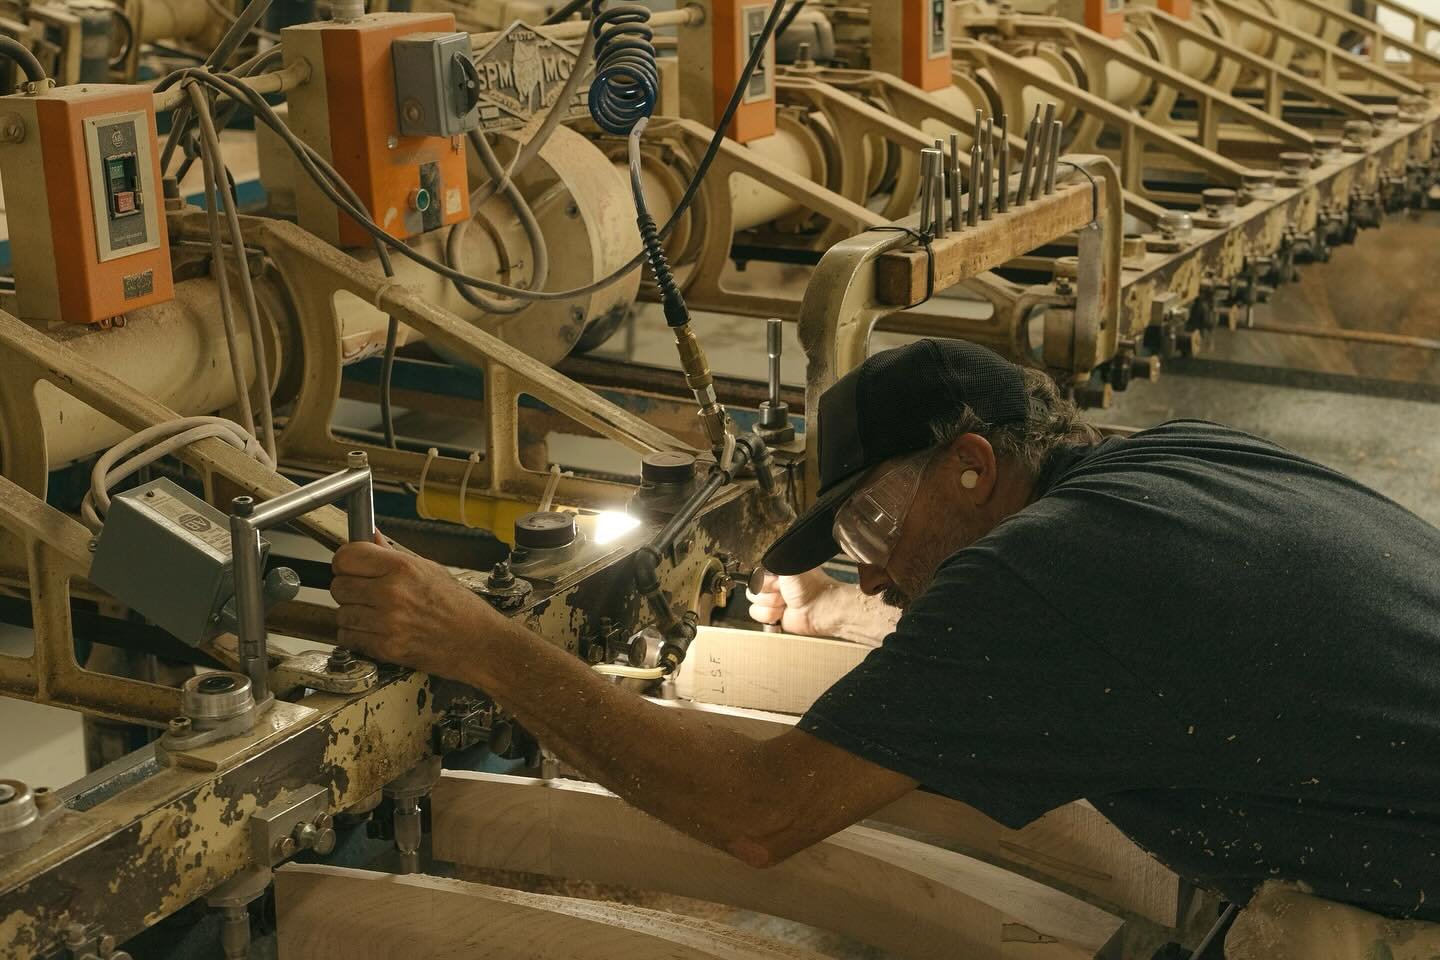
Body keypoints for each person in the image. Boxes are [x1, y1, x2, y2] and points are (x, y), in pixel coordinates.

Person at [330, 337, 1440, 924]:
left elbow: (756, 813)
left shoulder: (1035, 582)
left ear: (971, 467)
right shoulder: (1170, 459)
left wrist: (478, 643)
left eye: (872, 521)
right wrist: (862, 605)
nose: (870, 564)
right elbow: (1107, 633)